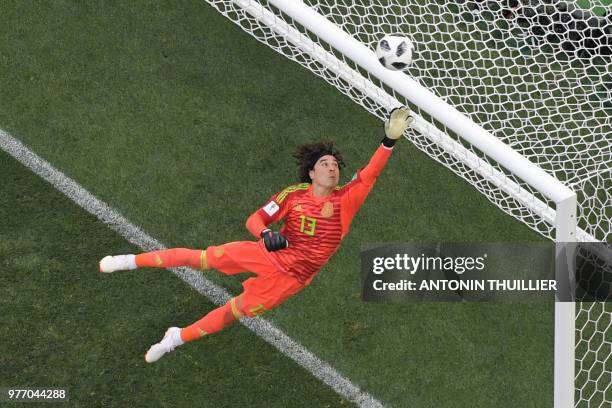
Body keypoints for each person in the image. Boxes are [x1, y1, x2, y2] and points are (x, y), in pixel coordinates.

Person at [99, 107, 414, 363]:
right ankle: (129, 261)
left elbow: (370, 173)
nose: (332, 168)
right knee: (201, 258)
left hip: (292, 278)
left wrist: (388, 141)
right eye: (325, 163)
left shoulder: (346, 199)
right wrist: (266, 234)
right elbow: (256, 219)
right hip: (268, 254)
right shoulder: (293, 195)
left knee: (232, 313)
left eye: (335, 165)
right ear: (311, 172)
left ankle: (176, 338)